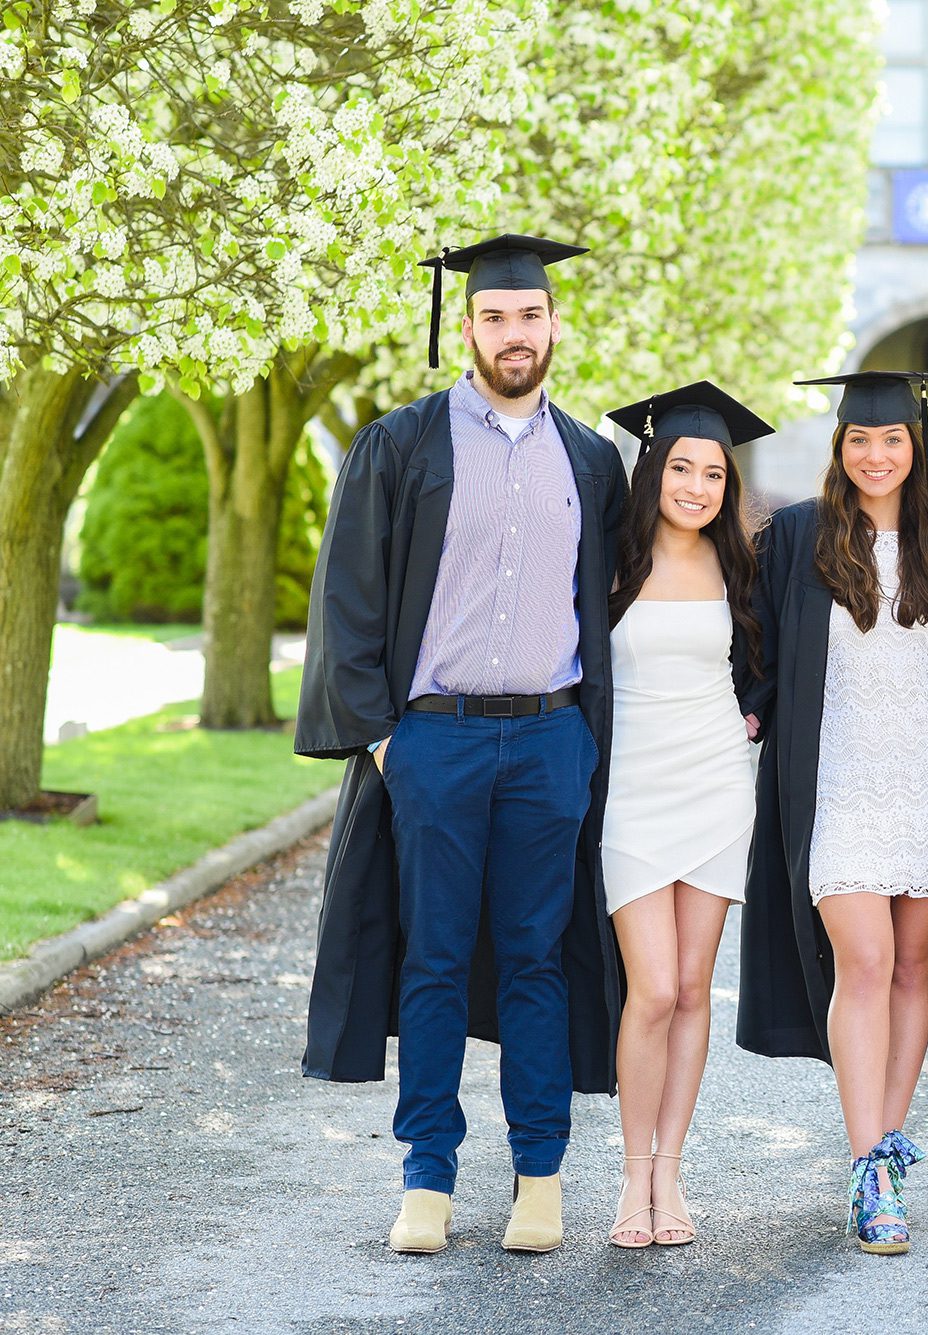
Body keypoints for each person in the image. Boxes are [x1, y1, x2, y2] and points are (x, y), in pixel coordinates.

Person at [295, 233, 628, 1255]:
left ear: (554, 324)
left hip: (547, 743)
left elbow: (616, 600)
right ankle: (426, 1181)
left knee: (535, 962)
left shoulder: (590, 458)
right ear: (467, 327)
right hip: (433, 745)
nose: (514, 334)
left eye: (529, 316)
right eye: (494, 317)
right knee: (432, 961)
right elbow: (346, 599)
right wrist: (388, 744)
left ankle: (539, 1178)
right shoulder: (402, 445)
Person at [735, 370, 928, 1256]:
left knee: (912, 966)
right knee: (865, 959)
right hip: (840, 771)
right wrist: (746, 704)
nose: (876, 454)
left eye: (892, 439)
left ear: (915, 445)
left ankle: (886, 1150)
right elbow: (753, 639)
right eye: (860, 439)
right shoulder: (798, 538)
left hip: (926, 769)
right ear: (840, 446)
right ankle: (865, 1163)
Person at [597, 382, 771, 1248]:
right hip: (630, 785)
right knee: (654, 987)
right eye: (681, 468)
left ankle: (672, 1171)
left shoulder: (739, 562)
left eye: (713, 473)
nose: (697, 487)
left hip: (712, 781)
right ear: (653, 469)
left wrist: (755, 708)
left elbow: (764, 659)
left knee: (695, 986)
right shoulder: (610, 557)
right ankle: (632, 1176)